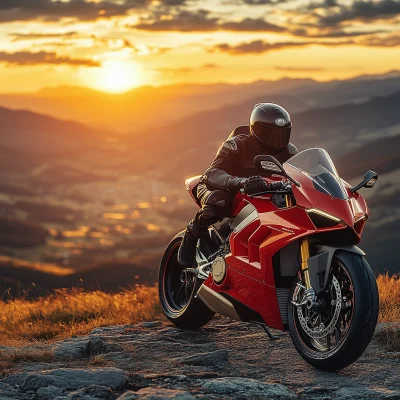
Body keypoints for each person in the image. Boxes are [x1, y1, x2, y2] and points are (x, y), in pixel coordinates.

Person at [178, 103, 298, 268]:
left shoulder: (290, 152)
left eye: (281, 134)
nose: (277, 139)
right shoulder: (236, 145)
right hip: (220, 187)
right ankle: (192, 233)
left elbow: (301, 175)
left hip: (260, 193)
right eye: (271, 134)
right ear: (257, 130)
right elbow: (211, 173)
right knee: (216, 204)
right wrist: (241, 182)